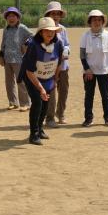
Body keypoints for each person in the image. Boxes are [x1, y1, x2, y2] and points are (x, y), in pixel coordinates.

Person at [18, 17, 63, 145]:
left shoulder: (58, 44)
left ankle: (40, 129)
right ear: (40, 32)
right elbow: (29, 71)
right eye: (46, 30)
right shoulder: (33, 46)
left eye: (52, 30)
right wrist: (41, 88)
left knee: (45, 102)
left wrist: (55, 80)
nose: (50, 33)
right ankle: (33, 134)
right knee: (38, 101)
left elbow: (58, 63)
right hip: (31, 77)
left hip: (48, 76)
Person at [80, 9, 108, 127]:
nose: (97, 22)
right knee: (89, 95)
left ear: (103, 21)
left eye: (99, 20)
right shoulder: (85, 35)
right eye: (94, 20)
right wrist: (87, 69)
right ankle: (88, 118)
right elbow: (82, 55)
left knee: (106, 96)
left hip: (104, 71)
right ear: (90, 22)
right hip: (89, 71)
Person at [0, 7, 32, 111]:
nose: (11, 18)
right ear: (6, 18)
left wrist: (26, 44)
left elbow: (33, 36)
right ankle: (13, 102)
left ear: (18, 18)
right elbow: (3, 43)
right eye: (9, 16)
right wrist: (1, 56)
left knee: (21, 81)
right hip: (7, 59)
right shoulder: (6, 29)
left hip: (19, 59)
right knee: (9, 82)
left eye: (13, 16)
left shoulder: (22, 28)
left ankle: (25, 103)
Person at [44, 1, 71, 127]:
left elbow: (66, 44)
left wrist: (66, 51)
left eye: (57, 14)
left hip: (63, 65)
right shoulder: (43, 30)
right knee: (51, 91)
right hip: (49, 66)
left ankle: (60, 113)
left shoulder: (63, 29)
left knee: (64, 90)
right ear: (48, 15)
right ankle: (49, 118)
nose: (55, 16)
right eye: (52, 13)